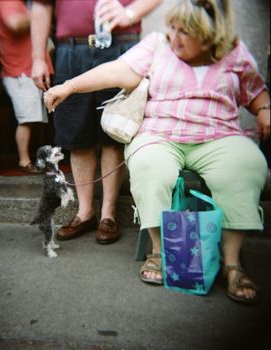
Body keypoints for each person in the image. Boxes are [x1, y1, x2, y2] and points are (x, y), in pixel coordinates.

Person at [44, 0, 270, 304]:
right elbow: (116, 70)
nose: (173, 37)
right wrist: (69, 86)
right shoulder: (157, 46)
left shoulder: (233, 51)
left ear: (210, 34)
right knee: (150, 165)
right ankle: (158, 252)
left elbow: (255, 91)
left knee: (246, 163)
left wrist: (265, 110)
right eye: (172, 27)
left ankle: (232, 264)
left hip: (219, 136)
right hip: (161, 135)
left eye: (184, 32)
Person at [31, 0, 163, 244]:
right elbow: (41, 6)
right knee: (75, 133)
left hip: (122, 47)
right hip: (71, 49)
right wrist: (38, 56)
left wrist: (130, 12)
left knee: (116, 128)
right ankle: (85, 212)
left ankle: (108, 214)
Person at [0, 0, 54, 173]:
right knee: (27, 119)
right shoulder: (7, 2)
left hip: (29, 70)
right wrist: (39, 14)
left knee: (37, 119)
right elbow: (16, 24)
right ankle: (24, 161)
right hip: (20, 71)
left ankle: (37, 158)